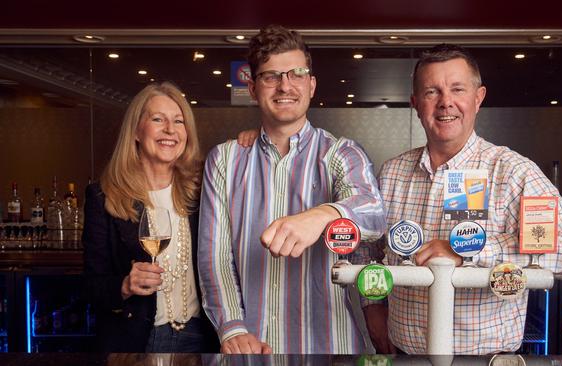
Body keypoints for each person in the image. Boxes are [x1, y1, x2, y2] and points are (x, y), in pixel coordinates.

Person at [363, 44, 562, 354]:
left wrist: (470, 250)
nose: (446, 103)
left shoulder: (512, 172)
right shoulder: (392, 172)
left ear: (478, 97)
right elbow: (368, 250)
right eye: (432, 92)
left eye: (457, 89)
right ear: (415, 103)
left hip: (486, 358)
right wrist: (373, 310)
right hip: (405, 355)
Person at [198, 25, 386, 354]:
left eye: (297, 74)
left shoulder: (341, 154)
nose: (285, 85)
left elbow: (373, 214)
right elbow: (214, 257)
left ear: (311, 85)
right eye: (271, 76)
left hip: (331, 348)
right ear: (254, 88)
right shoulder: (224, 160)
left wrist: (324, 215)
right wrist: (231, 327)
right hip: (252, 348)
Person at [83, 82, 218, 352]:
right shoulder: (103, 195)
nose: (170, 129)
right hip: (139, 340)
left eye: (179, 121)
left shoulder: (205, 188)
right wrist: (124, 285)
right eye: (158, 119)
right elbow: (91, 288)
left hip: (201, 337)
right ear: (136, 130)